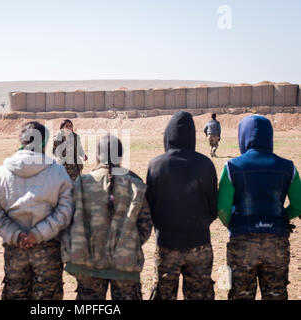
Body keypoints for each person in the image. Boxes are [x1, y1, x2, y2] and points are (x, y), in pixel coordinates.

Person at [0, 121, 73, 300]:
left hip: (15, 250)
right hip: (48, 251)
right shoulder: (57, 172)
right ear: (44, 142)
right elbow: (66, 210)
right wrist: (38, 234)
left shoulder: (1, 173)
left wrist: (16, 235)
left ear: (21, 140)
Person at [217, 115, 301, 300]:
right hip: (277, 240)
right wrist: (282, 217)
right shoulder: (289, 167)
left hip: (242, 241)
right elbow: (299, 204)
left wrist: (234, 223)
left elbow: (222, 209)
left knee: (241, 294)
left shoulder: (232, 166)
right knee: (276, 294)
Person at [61, 134, 152, 300]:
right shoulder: (135, 184)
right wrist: (129, 244)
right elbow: (145, 225)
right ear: (120, 156)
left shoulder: (81, 183)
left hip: (88, 264)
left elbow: (68, 223)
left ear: (97, 155)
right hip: (125, 264)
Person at [146, 111, 218, 300]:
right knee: (199, 295)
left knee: (163, 294)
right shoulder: (206, 164)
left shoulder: (156, 165)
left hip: (167, 244)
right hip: (199, 243)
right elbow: (213, 206)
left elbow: (150, 205)